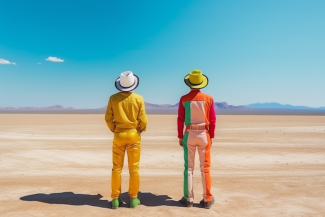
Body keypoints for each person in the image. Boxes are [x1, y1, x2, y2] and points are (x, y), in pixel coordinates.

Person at [105, 71, 148, 209]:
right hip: (133, 135)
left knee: (116, 168)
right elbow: (143, 119)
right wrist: (140, 129)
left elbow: (108, 118)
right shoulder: (138, 98)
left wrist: (114, 129)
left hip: (119, 135)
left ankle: (115, 199)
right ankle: (133, 199)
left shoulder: (113, 98)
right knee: (134, 168)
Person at [177, 70, 216, 209]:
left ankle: (188, 199)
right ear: (201, 83)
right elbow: (212, 120)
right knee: (205, 168)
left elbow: (180, 119)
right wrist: (211, 136)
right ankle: (207, 199)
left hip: (189, 134)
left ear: (189, 84)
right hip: (204, 134)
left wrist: (180, 136)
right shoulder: (209, 99)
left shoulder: (183, 99)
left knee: (188, 168)